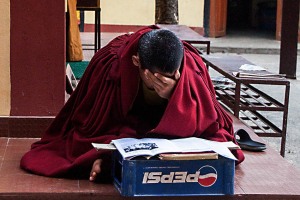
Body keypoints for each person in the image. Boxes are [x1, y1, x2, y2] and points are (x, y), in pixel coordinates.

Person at [20, 25, 244, 182]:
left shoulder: (190, 68)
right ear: (136, 62)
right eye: (156, 78)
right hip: (127, 123)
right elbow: (91, 124)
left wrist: (175, 96)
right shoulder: (110, 64)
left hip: (166, 129)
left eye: (172, 76)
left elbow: (209, 122)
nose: (164, 82)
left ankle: (113, 165)